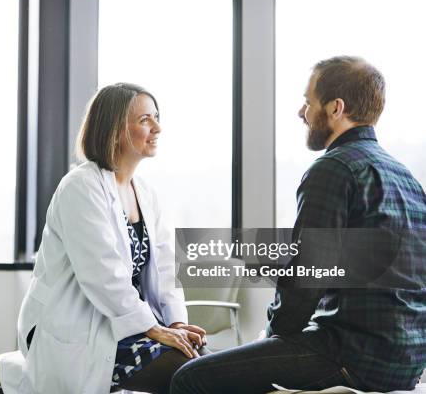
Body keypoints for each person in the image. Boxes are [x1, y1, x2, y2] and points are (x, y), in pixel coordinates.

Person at [171, 56, 426, 393]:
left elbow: (306, 275)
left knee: (190, 378)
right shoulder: (406, 178)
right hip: (406, 361)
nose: (301, 112)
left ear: (336, 108)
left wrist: (273, 334)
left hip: (352, 354)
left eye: (308, 102)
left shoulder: (334, 169)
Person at [16, 83, 208, 394]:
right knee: (194, 376)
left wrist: (175, 324)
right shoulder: (80, 187)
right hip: (74, 327)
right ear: (115, 129)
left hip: (125, 325)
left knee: (209, 366)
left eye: (156, 117)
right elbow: (102, 274)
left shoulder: (144, 192)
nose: (157, 127)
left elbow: (165, 269)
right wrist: (153, 328)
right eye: (145, 119)